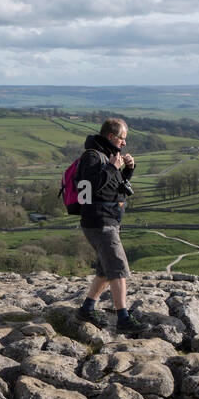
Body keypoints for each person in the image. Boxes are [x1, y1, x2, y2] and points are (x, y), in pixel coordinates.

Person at [74, 118, 144, 334]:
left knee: (105, 269)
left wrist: (127, 171)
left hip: (107, 219)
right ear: (112, 137)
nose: (124, 143)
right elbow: (87, 188)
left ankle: (87, 309)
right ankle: (123, 318)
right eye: (122, 138)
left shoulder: (108, 156)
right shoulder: (92, 156)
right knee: (118, 268)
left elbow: (112, 187)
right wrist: (113, 168)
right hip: (99, 221)